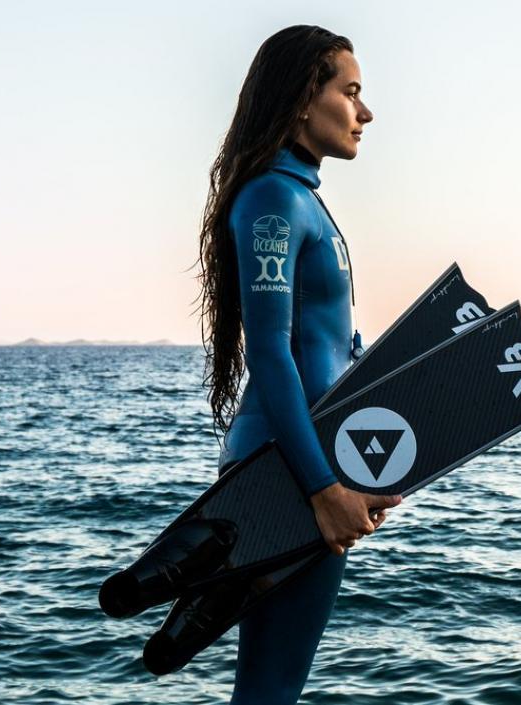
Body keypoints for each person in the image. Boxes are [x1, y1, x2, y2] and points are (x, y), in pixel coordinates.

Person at [194, 24, 398, 704]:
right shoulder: (274, 199)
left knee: (274, 686)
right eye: (351, 92)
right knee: (270, 689)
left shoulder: (301, 197)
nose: (365, 112)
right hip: (283, 469)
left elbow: (329, 350)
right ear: (304, 98)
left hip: (305, 462)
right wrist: (323, 487)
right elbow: (270, 351)